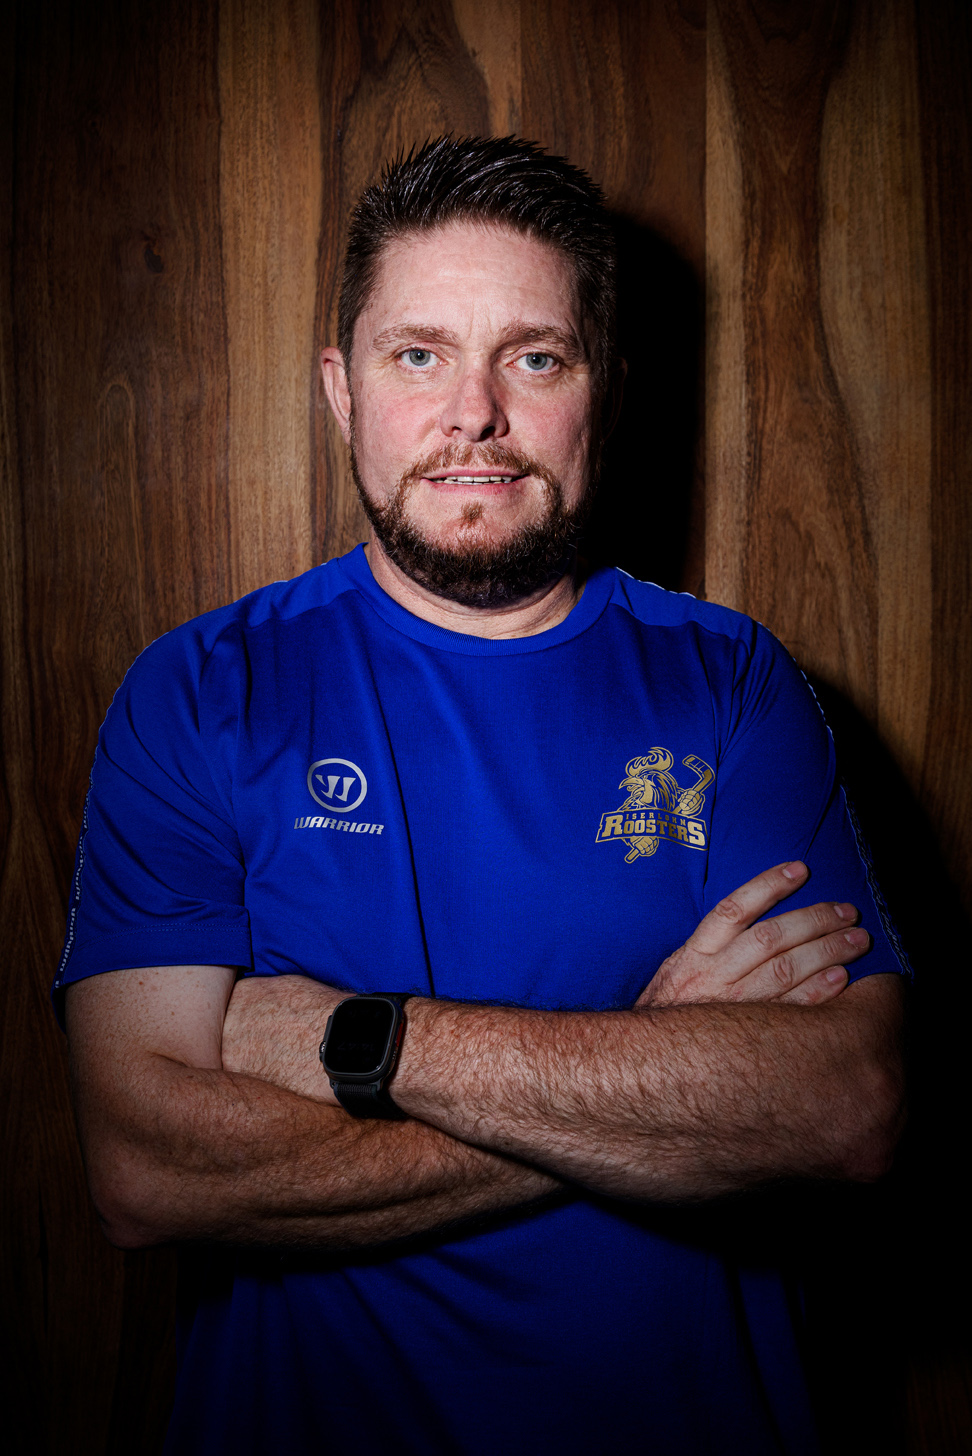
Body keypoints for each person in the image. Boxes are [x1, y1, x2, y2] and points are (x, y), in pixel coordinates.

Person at [58, 137, 908, 1456]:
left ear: (602, 390)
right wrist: (652, 1063)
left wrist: (369, 1043)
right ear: (341, 390)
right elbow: (147, 1170)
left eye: (536, 358)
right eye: (418, 355)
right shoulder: (204, 691)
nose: (475, 414)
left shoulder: (731, 682)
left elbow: (845, 1106)